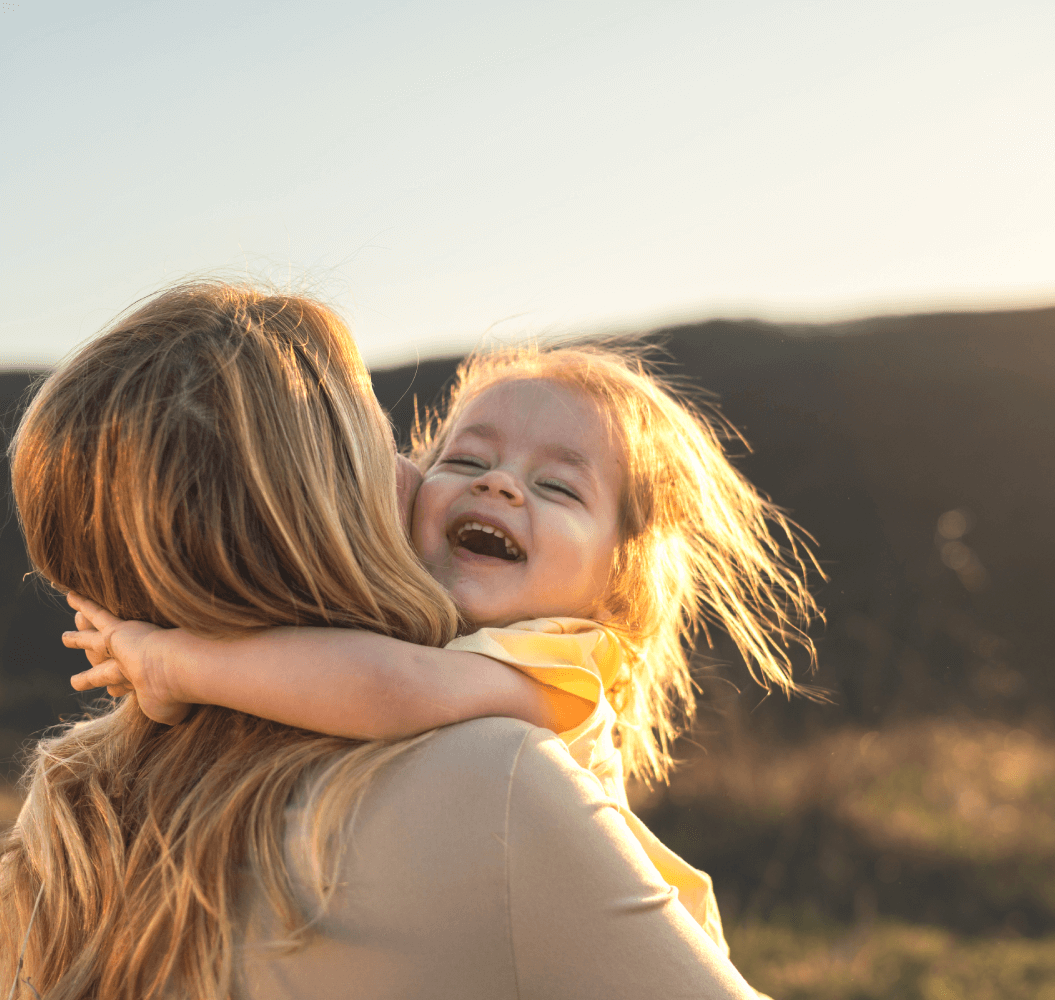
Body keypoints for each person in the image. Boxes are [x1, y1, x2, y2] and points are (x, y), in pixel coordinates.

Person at [1, 282, 769, 999]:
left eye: (559, 486)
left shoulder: (64, 823)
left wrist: (174, 660)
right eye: (460, 460)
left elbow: (390, 687)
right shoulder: (493, 777)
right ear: (318, 509)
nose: (495, 487)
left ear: (618, 582)